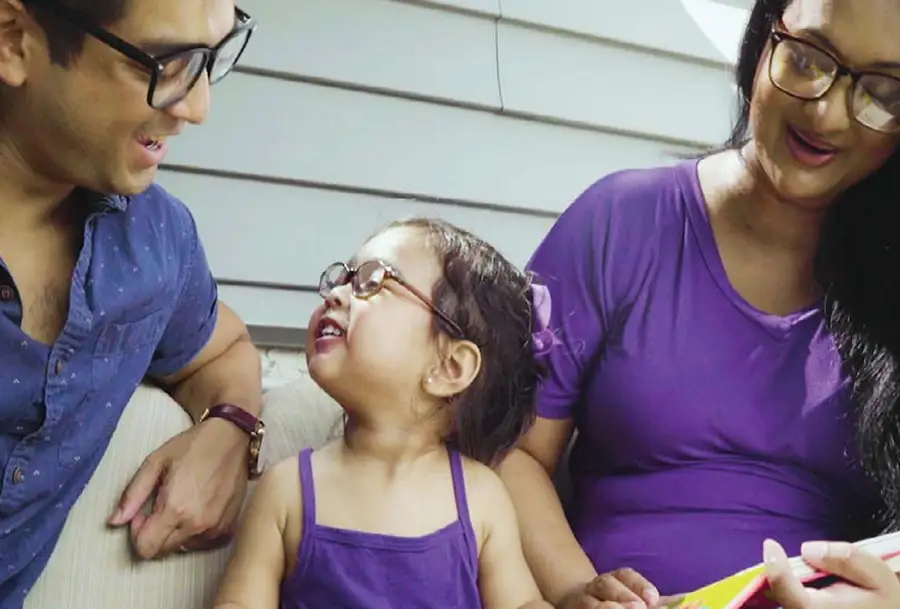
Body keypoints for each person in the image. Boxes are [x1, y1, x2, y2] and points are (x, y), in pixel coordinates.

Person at [496, 0, 900, 607]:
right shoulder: (619, 223)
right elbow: (512, 448)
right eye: (810, 58)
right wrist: (574, 590)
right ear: (764, 40)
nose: (827, 112)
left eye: (880, 91)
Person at [0, 0, 265, 607]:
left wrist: (233, 425)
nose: (198, 108)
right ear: (14, 39)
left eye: (212, 57)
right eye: (167, 62)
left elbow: (221, 349)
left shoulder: (155, 242)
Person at [212, 218, 552, 609]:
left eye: (371, 281)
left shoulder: (480, 499)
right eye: (343, 277)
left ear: (450, 368)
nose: (337, 293)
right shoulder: (287, 491)